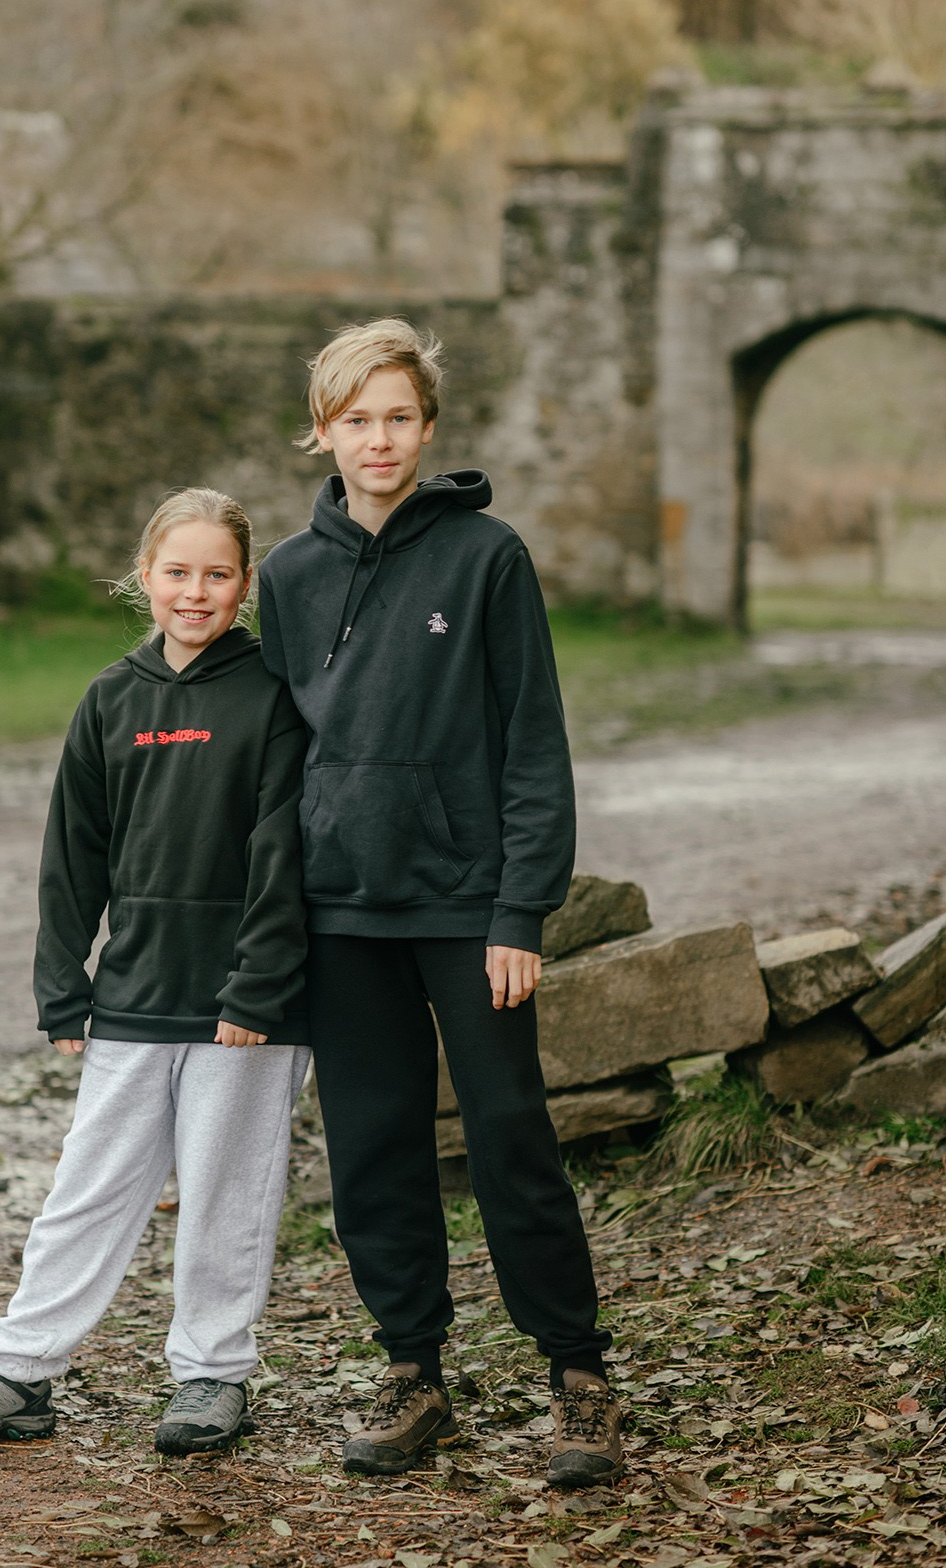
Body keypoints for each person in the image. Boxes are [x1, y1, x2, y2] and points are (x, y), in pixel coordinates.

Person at [256, 319, 622, 1485]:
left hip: (466, 910)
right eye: (355, 419)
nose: (379, 439)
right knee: (371, 1147)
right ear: (321, 429)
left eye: (398, 417)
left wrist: (522, 911)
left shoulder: (486, 557)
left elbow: (532, 745)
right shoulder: (290, 575)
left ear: (428, 426)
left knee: (510, 1133)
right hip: (340, 915)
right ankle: (413, 1374)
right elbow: (276, 764)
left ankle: (577, 1378)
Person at [0, 488, 310, 1457]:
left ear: (245, 585)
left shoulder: (272, 699)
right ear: (144, 578)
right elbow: (73, 857)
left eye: (217, 574)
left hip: (245, 1010)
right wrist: (63, 985)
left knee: (226, 1190)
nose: (196, 592)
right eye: (177, 572)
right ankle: (18, 1372)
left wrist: (258, 987)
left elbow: (283, 856)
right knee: (87, 1187)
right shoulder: (111, 699)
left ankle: (212, 1376)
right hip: (133, 992)